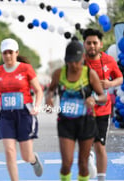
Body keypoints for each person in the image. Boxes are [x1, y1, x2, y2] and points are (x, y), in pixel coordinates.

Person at [0, 38, 43, 180]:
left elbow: (38, 90)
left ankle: (33, 160)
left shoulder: (26, 69)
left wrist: (37, 106)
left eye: (10, 52)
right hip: (6, 116)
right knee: (9, 151)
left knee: (25, 155)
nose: (8, 56)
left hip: (24, 113)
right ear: (2, 54)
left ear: (16, 53)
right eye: (5, 53)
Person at [45, 40, 107, 181]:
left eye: (76, 61)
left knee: (83, 164)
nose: (73, 65)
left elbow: (103, 96)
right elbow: (50, 92)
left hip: (86, 122)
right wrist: (49, 100)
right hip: (66, 122)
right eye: (69, 61)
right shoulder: (59, 73)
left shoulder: (90, 74)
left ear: (83, 58)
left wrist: (94, 99)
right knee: (67, 163)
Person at [82, 28, 123, 181]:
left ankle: (101, 178)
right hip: (83, 110)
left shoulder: (109, 60)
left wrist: (110, 83)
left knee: (100, 146)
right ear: (84, 44)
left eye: (95, 42)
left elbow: (120, 78)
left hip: (102, 111)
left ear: (100, 44)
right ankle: (88, 156)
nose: (92, 46)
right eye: (88, 43)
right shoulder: (79, 62)